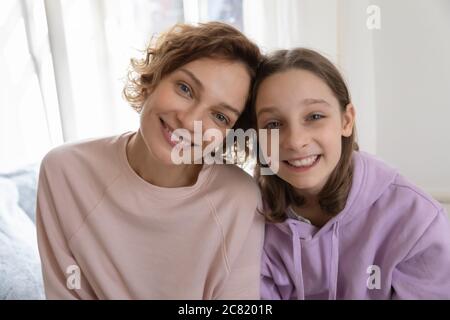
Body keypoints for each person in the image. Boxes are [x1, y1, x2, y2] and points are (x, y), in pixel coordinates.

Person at [36, 22, 264, 299]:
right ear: (155, 77)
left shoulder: (239, 200)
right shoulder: (64, 172)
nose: (190, 121)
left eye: (219, 117)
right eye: (185, 88)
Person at [251, 48, 450, 299]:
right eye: (273, 124)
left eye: (314, 116)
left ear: (346, 121)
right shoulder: (248, 218)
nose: (295, 141)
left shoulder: (416, 221)